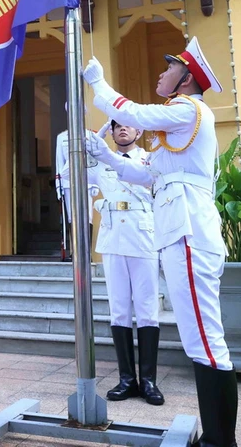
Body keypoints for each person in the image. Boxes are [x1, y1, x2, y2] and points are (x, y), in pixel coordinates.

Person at [82, 36, 237, 447]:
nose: (161, 72)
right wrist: (106, 156)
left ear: (186, 78)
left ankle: (221, 441)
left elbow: (134, 113)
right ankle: (216, 438)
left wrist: (99, 85)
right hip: (178, 234)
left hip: (187, 232)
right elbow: (145, 173)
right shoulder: (178, 129)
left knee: (205, 339)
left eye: (169, 67)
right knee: (197, 337)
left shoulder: (187, 109)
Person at [90, 120, 163, 406]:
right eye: (116, 126)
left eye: (128, 126)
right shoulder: (100, 162)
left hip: (143, 237)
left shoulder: (150, 158)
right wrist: (96, 141)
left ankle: (148, 381)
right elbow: (68, 174)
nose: (122, 130)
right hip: (113, 238)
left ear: (139, 131)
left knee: (147, 310)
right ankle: (126, 379)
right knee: (119, 310)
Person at [55, 103, 99, 257]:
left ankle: (86, 252)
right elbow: (59, 163)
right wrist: (58, 186)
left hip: (87, 183)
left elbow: (95, 162)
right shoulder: (61, 137)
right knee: (71, 217)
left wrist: (95, 184)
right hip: (68, 184)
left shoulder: (91, 135)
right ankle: (75, 252)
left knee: (87, 217)